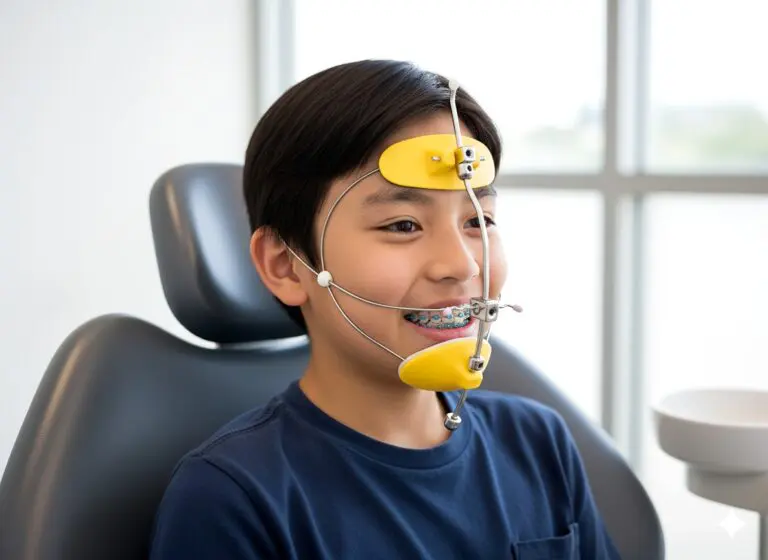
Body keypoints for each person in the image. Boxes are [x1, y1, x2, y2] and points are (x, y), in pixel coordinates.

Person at [148, 59, 620, 559]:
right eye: (402, 225)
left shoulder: (537, 443)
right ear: (287, 265)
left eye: (479, 220)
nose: (460, 265)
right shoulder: (232, 498)